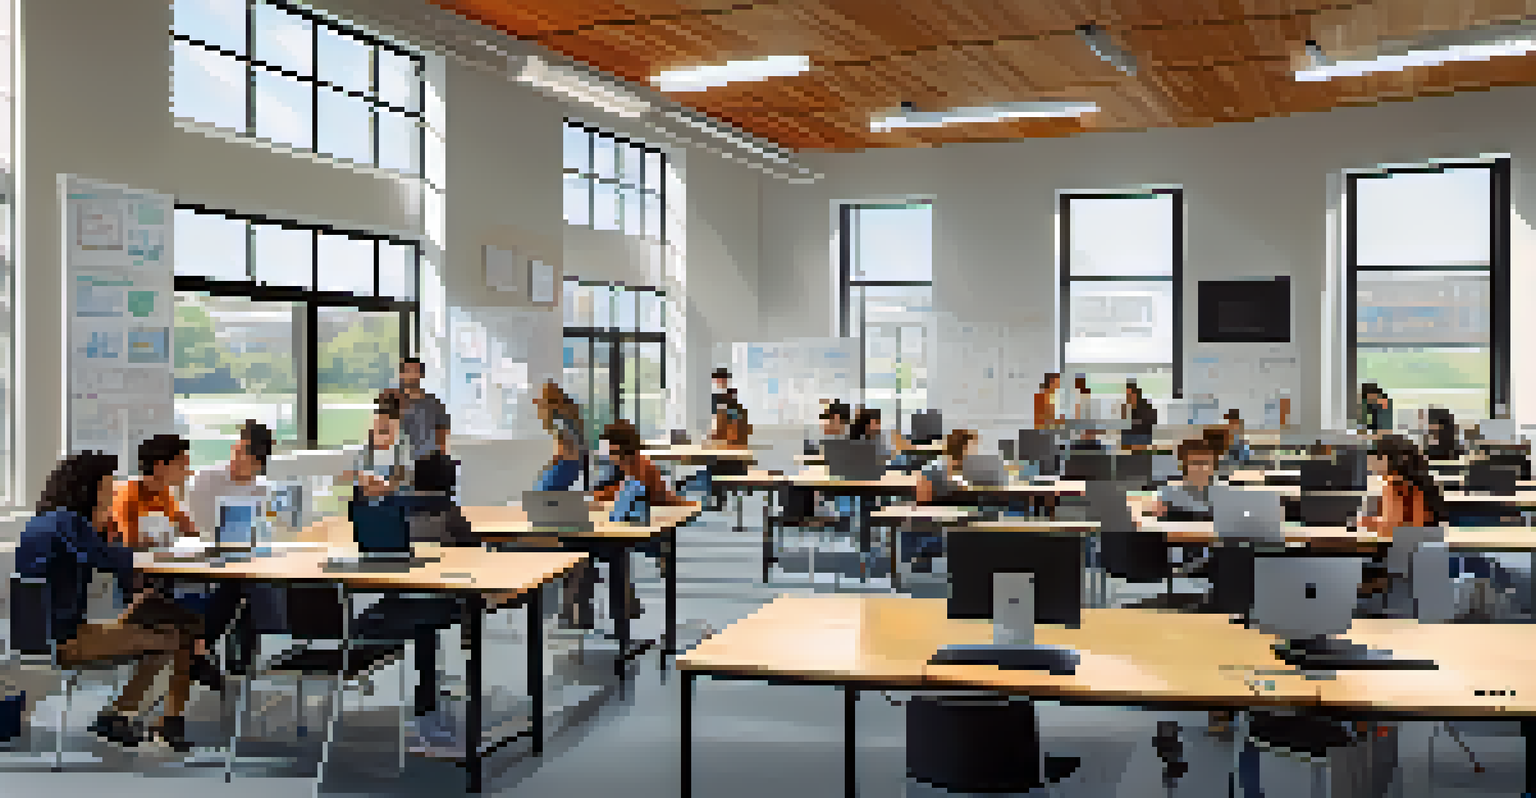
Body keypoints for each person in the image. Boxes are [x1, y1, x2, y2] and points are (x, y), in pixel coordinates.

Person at [16, 452, 208, 751]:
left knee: (162, 616)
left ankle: (140, 710)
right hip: (63, 639)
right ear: (89, 489)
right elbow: (108, 559)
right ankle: (135, 717)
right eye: (108, 487)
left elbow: (102, 558)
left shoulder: (45, 521)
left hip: (42, 634)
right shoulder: (69, 522)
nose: (112, 494)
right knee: (174, 638)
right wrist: (151, 551)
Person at [183, 420, 281, 676]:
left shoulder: (264, 489)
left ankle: (219, 656)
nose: (235, 459)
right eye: (236, 451)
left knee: (248, 586)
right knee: (240, 586)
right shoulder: (206, 479)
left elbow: (267, 531)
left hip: (245, 559)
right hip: (207, 555)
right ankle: (207, 650)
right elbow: (198, 528)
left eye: (243, 455)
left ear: (258, 463)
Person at [591, 420, 688, 618]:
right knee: (589, 549)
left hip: (646, 530)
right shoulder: (623, 465)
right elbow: (607, 491)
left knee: (599, 549)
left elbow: (632, 495)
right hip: (628, 526)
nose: (607, 451)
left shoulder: (639, 466)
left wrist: (604, 496)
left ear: (620, 446)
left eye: (609, 446)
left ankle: (622, 610)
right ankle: (620, 606)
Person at [109, 434, 198, 548]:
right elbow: (128, 542)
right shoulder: (126, 495)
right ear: (160, 466)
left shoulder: (165, 495)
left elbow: (189, 531)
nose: (188, 472)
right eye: (182, 466)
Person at [906, 429, 977, 572]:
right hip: (940, 517)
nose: (974, 453)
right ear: (962, 449)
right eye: (971, 449)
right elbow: (923, 501)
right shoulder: (935, 468)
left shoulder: (969, 470)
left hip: (959, 515)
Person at [343, 392, 408, 502]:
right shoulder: (369, 441)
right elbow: (358, 472)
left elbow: (402, 478)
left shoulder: (401, 445)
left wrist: (384, 487)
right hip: (369, 492)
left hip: (390, 496)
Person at [387, 356, 452, 460]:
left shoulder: (434, 403)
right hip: (400, 460)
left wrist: (443, 459)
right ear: (401, 374)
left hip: (430, 460)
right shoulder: (393, 402)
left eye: (414, 371)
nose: (410, 375)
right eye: (406, 371)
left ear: (421, 374)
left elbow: (442, 433)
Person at [1151, 435, 1224, 521]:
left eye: (1205, 463)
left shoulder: (1222, 495)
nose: (1200, 468)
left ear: (1213, 466)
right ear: (1184, 466)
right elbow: (1157, 521)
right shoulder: (1169, 493)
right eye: (1194, 463)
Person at [532, 380, 587, 492]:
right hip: (571, 462)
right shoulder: (568, 414)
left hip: (569, 462)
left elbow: (567, 447)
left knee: (542, 488)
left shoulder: (561, 417)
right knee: (542, 486)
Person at [1121, 382, 1157, 448]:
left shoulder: (1144, 406)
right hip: (1130, 437)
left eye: (1130, 395)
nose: (1128, 398)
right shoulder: (1129, 407)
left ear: (1135, 394)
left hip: (1142, 436)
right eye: (1127, 395)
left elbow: (1152, 420)